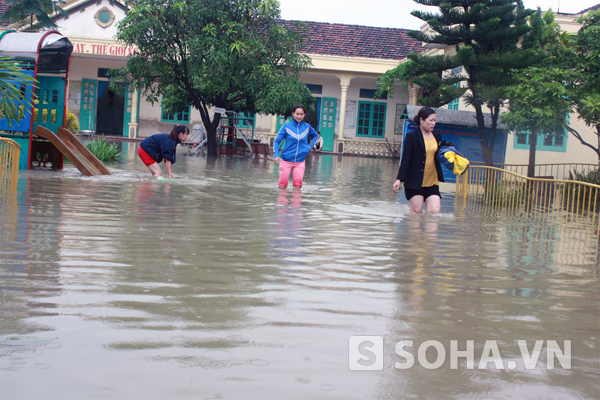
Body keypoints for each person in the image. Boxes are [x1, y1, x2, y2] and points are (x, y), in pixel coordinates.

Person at [393, 107, 445, 214]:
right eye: (431, 120)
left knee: (434, 211)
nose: (433, 123)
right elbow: (406, 159)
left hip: (432, 180)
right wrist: (399, 179)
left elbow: (440, 153)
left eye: (435, 120)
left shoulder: (437, 135)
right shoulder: (411, 137)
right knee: (417, 212)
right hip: (414, 181)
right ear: (422, 120)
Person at [273, 105, 319, 188]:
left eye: (301, 114)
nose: (299, 116)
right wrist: (276, 155)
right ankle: (282, 201)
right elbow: (277, 141)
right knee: (282, 186)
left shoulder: (307, 127)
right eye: (297, 114)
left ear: (304, 115)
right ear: (293, 114)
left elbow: (315, 136)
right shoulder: (286, 127)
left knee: (298, 186)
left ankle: (296, 201)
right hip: (286, 160)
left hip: (300, 161)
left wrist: (309, 147)